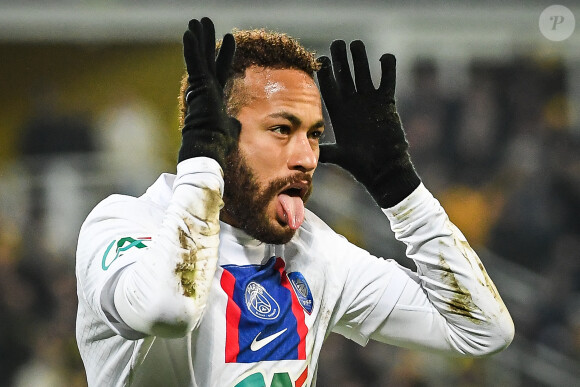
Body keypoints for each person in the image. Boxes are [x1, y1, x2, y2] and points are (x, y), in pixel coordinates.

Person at [75, 17, 514, 387]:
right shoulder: (122, 224)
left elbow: (480, 330)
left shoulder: (314, 250)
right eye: (282, 129)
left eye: (315, 134)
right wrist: (203, 163)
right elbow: (169, 311)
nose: (307, 158)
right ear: (216, 133)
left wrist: (400, 189)